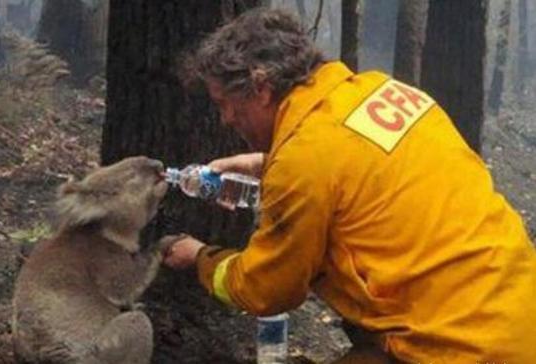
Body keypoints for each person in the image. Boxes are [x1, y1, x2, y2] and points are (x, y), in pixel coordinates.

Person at [163, 8, 536, 364]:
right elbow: (359, 168)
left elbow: (267, 289)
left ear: (260, 88)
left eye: (225, 103)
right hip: (517, 313)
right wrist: (267, 165)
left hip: (461, 348)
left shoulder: (305, 160)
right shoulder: (378, 91)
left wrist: (199, 257)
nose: (226, 119)